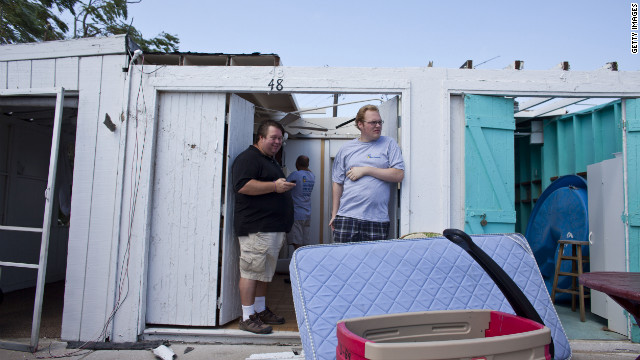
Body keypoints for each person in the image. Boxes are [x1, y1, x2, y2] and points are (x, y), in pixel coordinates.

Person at [232, 119, 295, 334]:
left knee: (263, 272)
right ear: (260, 138)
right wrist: (275, 187)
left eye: (280, 138)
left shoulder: (269, 159)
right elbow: (242, 185)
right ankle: (247, 316)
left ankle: (260, 310)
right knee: (251, 271)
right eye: (273, 138)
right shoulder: (249, 158)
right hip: (256, 227)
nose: (278, 142)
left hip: (271, 228)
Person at [329, 104, 405, 243]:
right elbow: (337, 182)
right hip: (347, 216)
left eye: (379, 122)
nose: (378, 126)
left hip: (377, 219)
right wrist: (334, 214)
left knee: (373, 263)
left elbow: (398, 174)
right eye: (372, 122)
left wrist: (366, 170)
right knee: (344, 261)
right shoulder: (346, 149)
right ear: (360, 124)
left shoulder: (389, 144)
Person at [286, 155, 316, 250]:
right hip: (307, 214)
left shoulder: (295, 175)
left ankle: (299, 263)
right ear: (308, 164)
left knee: (297, 242)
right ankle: (305, 261)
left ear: (297, 163)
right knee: (304, 242)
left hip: (296, 214)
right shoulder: (312, 176)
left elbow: (283, 184)